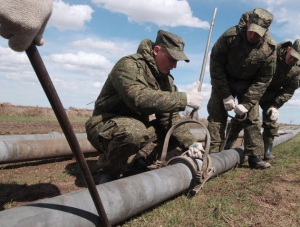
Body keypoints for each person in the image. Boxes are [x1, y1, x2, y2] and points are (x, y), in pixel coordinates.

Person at [86, 30, 204, 184]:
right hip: (104, 126)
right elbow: (139, 99)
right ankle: (110, 170)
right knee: (133, 132)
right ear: (156, 50)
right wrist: (185, 98)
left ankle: (136, 166)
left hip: (136, 128)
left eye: (177, 61)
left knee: (172, 132)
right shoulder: (129, 65)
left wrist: (191, 143)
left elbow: (169, 117)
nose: (174, 65)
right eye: (171, 59)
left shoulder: (165, 80)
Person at [207, 8, 276, 169]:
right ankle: (213, 154)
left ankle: (254, 156)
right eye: (251, 31)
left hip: (249, 85)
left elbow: (264, 78)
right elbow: (216, 65)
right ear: (248, 22)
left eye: (258, 33)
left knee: (251, 118)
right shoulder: (230, 36)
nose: (253, 36)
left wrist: (246, 103)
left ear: (266, 30)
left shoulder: (269, 48)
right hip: (225, 80)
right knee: (216, 116)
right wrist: (225, 95)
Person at [226, 39, 300, 160]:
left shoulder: (297, 70)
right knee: (244, 116)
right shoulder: (271, 53)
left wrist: (275, 105)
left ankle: (267, 149)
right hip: (255, 89)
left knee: (271, 120)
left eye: (296, 59)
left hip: (271, 95)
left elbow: (289, 89)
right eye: (292, 56)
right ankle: (229, 142)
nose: (292, 60)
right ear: (288, 49)